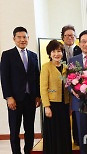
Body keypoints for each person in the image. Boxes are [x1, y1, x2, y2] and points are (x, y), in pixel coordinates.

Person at [1, 26, 41, 154]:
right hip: (15, 100)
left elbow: (37, 77)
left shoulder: (33, 56)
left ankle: (28, 151)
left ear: (28, 38)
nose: (22, 39)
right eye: (19, 37)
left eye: (25, 37)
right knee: (14, 131)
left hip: (30, 99)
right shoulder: (7, 55)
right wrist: (8, 97)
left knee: (29, 130)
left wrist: (38, 96)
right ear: (14, 39)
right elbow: (4, 78)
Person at [40, 39, 72, 154]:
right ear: (49, 53)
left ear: (62, 53)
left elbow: (69, 88)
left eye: (59, 51)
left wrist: (70, 105)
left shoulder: (66, 67)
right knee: (54, 133)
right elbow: (43, 88)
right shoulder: (46, 67)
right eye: (53, 51)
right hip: (52, 105)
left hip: (64, 105)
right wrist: (46, 106)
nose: (56, 54)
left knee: (64, 132)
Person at [61, 25, 81, 146]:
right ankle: (65, 139)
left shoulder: (80, 49)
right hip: (61, 86)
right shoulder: (58, 49)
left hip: (78, 86)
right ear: (62, 37)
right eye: (67, 35)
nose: (70, 37)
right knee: (64, 114)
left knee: (76, 113)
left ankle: (77, 139)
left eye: (72, 35)